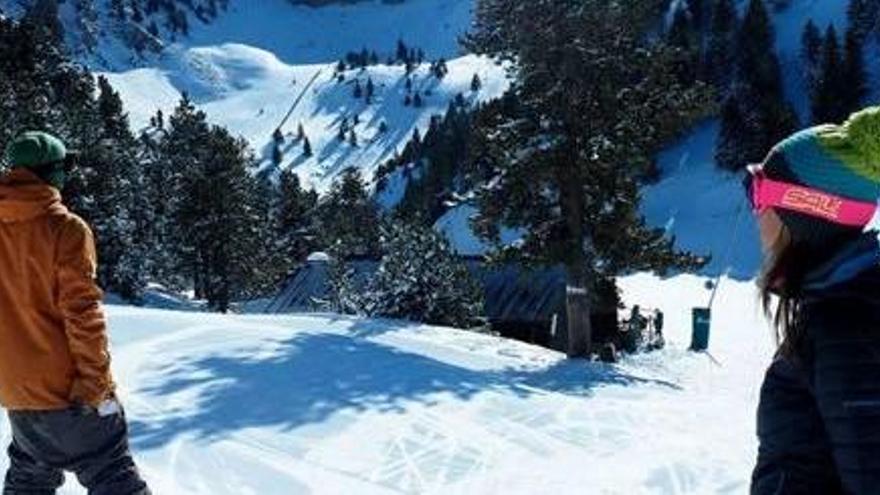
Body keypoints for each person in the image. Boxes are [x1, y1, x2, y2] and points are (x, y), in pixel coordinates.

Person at [0, 132, 150, 494]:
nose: (68, 175)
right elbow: (82, 314)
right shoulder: (65, 229)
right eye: (65, 167)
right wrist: (97, 385)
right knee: (111, 472)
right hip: (67, 388)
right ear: (50, 173)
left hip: (19, 392)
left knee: (31, 474)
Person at [746, 107, 880, 494]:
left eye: (759, 192)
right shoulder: (841, 308)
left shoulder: (849, 327)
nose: (756, 213)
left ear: (807, 210)